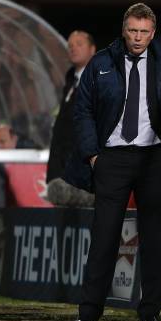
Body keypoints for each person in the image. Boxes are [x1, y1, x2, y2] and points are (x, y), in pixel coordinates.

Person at [66, 3, 161, 321]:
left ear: (154, 31)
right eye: (133, 30)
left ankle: (149, 314)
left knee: (153, 239)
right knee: (104, 237)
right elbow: (82, 112)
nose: (138, 38)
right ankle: (89, 313)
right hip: (111, 159)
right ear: (124, 29)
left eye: (144, 31)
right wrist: (94, 156)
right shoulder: (101, 62)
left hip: (154, 159)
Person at [46, 30, 97, 207]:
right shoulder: (70, 82)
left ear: (92, 49)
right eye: (70, 46)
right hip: (63, 170)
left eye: (79, 44)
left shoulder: (101, 81)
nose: (73, 48)